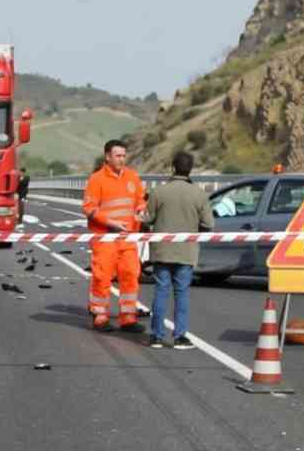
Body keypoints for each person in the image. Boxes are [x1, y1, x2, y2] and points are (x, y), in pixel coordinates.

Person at [141, 150, 212, 350]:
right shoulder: (199, 194)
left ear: (173, 167)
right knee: (181, 293)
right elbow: (209, 223)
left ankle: (156, 336)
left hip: (162, 251)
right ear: (191, 169)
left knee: (161, 291)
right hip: (187, 251)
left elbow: (147, 220)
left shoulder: (158, 192)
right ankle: (180, 336)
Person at [82, 138, 147, 332]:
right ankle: (100, 315)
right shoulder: (96, 179)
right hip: (105, 238)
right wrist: (111, 223)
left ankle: (128, 317)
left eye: (124, 155)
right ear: (107, 156)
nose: (121, 159)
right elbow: (89, 208)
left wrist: (141, 211)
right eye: (118, 155)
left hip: (128, 238)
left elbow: (140, 200)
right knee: (102, 277)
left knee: (130, 275)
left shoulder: (132, 177)